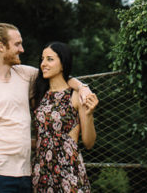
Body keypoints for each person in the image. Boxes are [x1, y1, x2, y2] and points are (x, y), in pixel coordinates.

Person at [0, 23, 93, 193]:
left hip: (27, 174)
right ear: (1, 47)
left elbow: (59, 76)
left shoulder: (24, 74)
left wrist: (82, 87)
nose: (22, 49)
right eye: (17, 44)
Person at [31, 42, 98, 193]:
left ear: (63, 64)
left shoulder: (75, 96)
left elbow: (88, 143)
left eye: (49, 59)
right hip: (41, 170)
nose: (43, 64)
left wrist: (89, 115)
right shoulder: (39, 96)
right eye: (42, 59)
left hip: (68, 170)